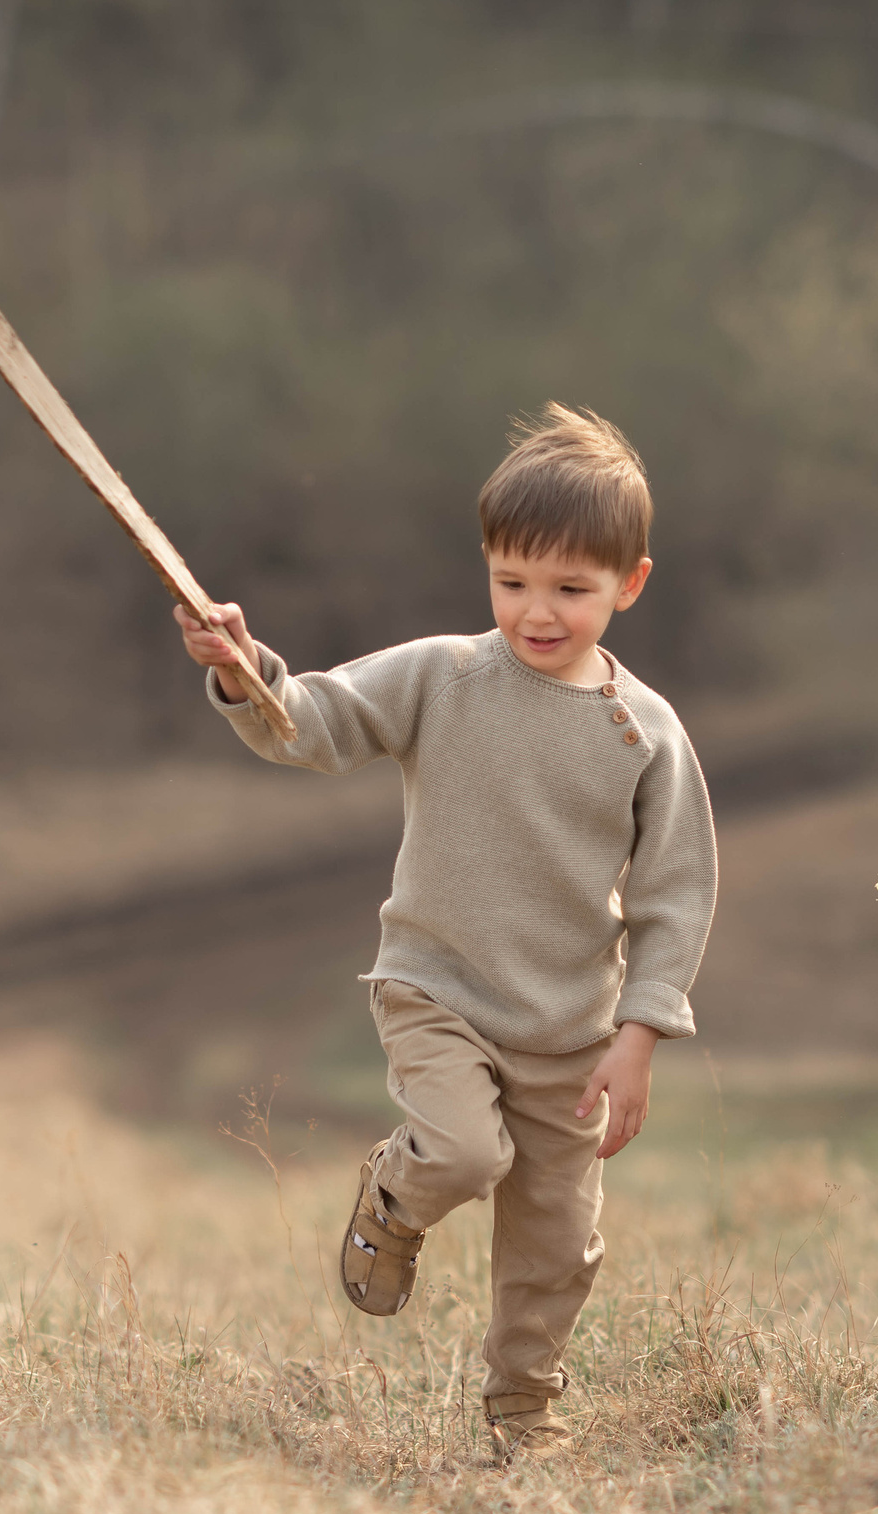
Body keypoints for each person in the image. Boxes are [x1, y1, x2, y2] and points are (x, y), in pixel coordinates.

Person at [177, 403, 718, 1457]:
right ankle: (395, 1190)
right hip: (437, 992)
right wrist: (247, 674)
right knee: (465, 1151)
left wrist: (640, 1035)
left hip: (570, 1031)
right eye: (512, 581)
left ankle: (523, 1407)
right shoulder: (443, 675)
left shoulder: (645, 732)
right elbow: (313, 723)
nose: (537, 610)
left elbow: (676, 895)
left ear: (630, 583)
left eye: (571, 588)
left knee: (557, 1241)